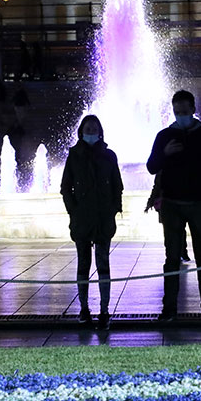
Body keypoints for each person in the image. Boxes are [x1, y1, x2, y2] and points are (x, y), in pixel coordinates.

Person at [147, 90, 201, 322]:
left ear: (193, 109)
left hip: (200, 203)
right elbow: (151, 167)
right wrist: (165, 153)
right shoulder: (164, 136)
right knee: (171, 257)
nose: (181, 115)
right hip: (172, 204)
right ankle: (169, 308)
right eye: (177, 112)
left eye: (184, 111)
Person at [61, 115, 124, 331]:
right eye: (87, 129)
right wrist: (74, 211)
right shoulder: (74, 156)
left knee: (103, 264)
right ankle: (84, 309)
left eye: (94, 128)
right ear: (81, 132)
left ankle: (104, 311)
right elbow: (65, 187)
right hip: (82, 219)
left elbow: (117, 185)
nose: (90, 132)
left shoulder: (109, 155)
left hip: (103, 218)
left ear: (100, 131)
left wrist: (113, 209)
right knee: (83, 263)